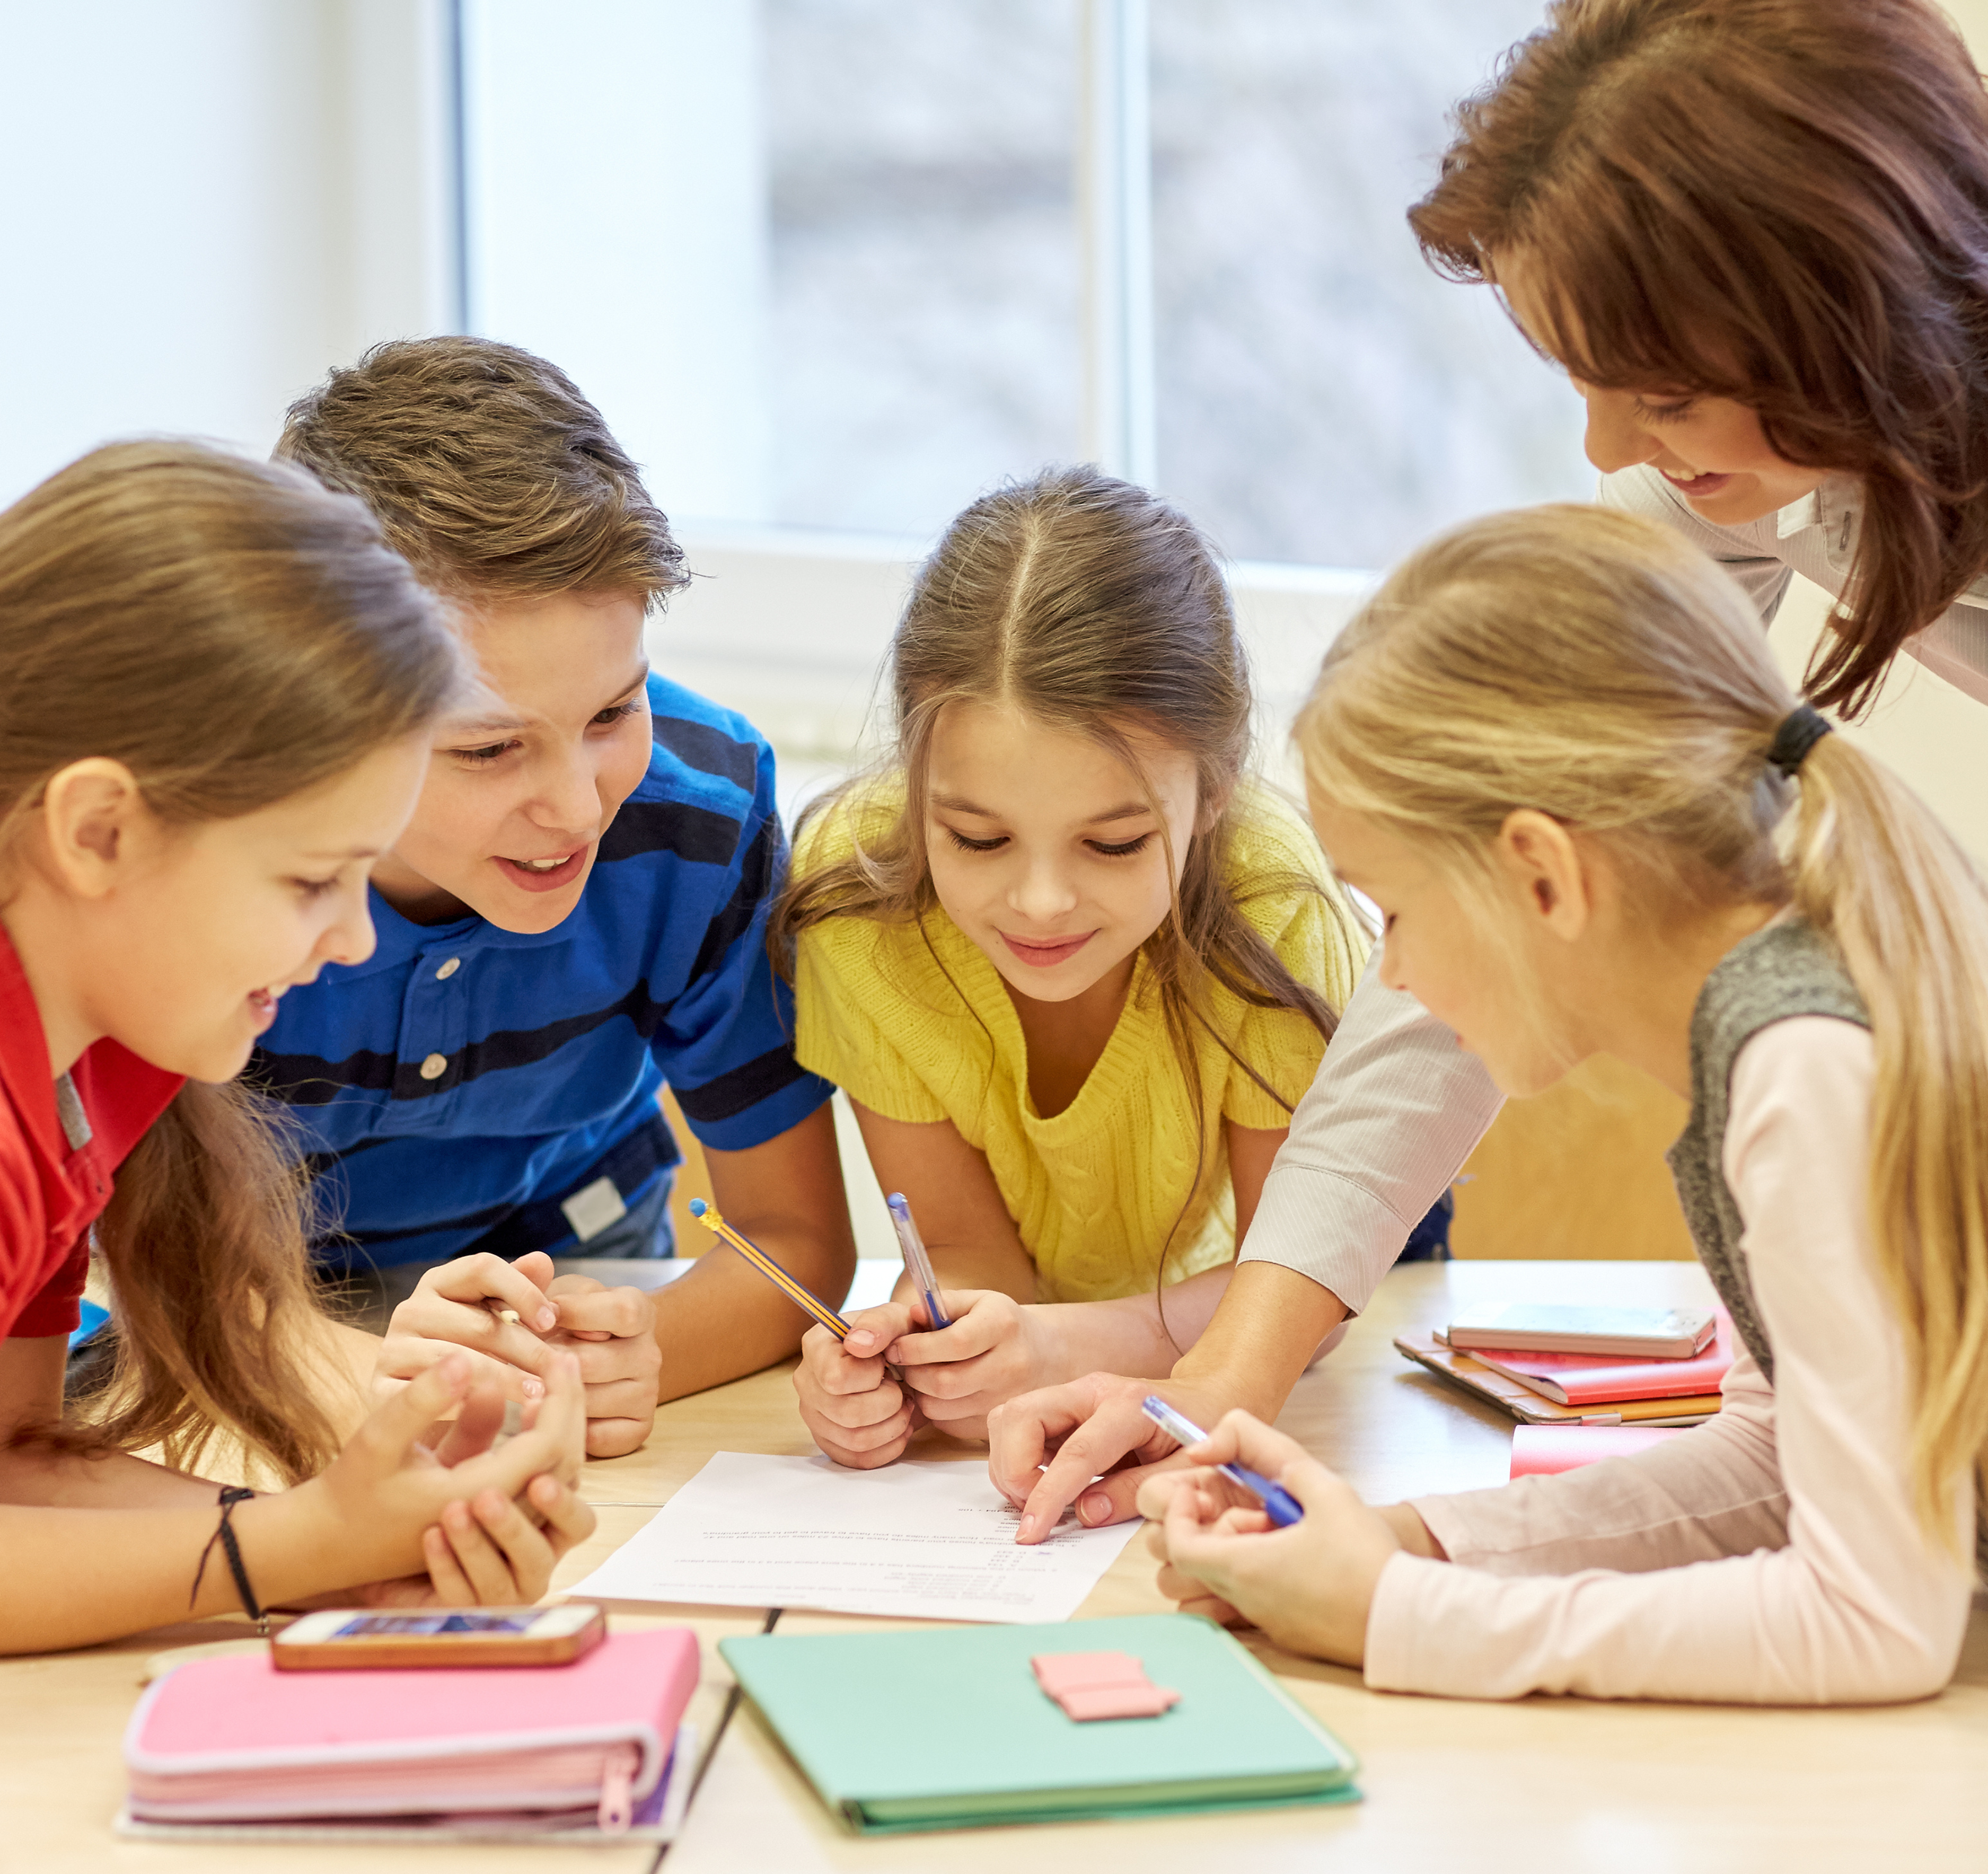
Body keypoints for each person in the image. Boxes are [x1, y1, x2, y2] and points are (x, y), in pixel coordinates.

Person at [990, 0, 1988, 1542]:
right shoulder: (1757, 459)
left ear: (1845, 308)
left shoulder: (1794, 1068)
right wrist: (1227, 1384)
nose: (1601, 448)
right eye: (1581, 380)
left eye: (1654, 394)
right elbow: (1463, 891)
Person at [1146, 504, 1986, 1703]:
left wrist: (1402, 1618)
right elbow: (1778, 1462)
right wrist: (1406, 1545)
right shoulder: (1763, 1028)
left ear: (1542, 873)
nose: (1393, 977)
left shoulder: (1806, 1068)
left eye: (1397, 914)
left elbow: (1869, 1622)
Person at [1, 440, 595, 1655]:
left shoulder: (104, 1058)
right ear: (99, 830)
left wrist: (347, 1555)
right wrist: (293, 1548)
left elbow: (17, 1466)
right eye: (314, 878)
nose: (351, 938)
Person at [254, 338, 856, 1454]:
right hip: (249, 1311)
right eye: (489, 751)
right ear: (318, 705)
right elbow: (160, 1291)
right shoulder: (213, 863)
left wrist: (643, 1354)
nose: (580, 811)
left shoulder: (699, 813)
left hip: (583, 1254)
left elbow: (797, 1239)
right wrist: (390, 1376)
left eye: (613, 713)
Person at [772, 468, 1363, 1467]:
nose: (1040, 903)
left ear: (1212, 792)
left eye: (1116, 845)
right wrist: (929, 1353)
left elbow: (1299, 1287)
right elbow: (968, 1256)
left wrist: (1058, 1343)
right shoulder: (858, 901)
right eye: (976, 837)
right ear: (918, 785)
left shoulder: (1272, 908)